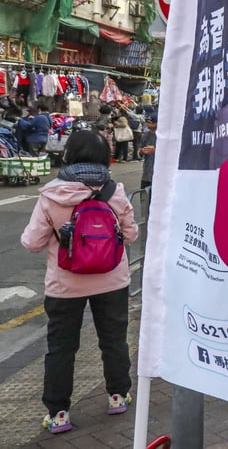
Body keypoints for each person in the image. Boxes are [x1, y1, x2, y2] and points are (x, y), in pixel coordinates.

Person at [20, 130, 138, 434]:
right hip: (113, 280)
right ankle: (118, 396)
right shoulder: (115, 190)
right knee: (113, 340)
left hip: (64, 285)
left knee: (61, 348)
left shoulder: (52, 194)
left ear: (68, 154)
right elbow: (132, 235)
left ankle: (58, 414)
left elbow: (33, 242)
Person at [139, 112, 157, 197]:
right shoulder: (146, 135)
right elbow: (140, 150)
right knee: (145, 200)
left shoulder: (164, 136)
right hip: (147, 173)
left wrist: (156, 151)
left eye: (151, 122)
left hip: (159, 174)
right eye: (147, 122)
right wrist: (141, 151)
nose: (148, 124)